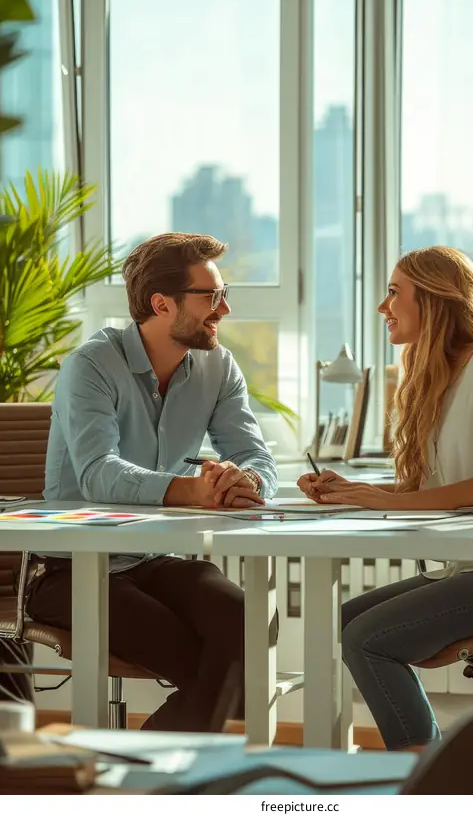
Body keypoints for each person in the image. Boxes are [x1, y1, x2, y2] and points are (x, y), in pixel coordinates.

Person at [298, 245, 473, 751]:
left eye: (393, 292)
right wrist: (355, 492)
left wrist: (386, 500)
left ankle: (427, 775)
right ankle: (421, 761)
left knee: (367, 640)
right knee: (342, 621)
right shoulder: (435, 376)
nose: (383, 307)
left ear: (432, 300)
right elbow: (438, 490)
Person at [27, 232, 278, 732]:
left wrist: (243, 480)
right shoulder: (91, 366)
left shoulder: (218, 366)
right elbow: (98, 473)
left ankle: (146, 781)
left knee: (249, 625)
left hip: (153, 557)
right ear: (161, 304)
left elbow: (256, 456)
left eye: (225, 294)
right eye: (211, 297)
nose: (224, 309)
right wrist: (194, 491)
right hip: (72, 566)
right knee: (218, 668)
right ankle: (157, 784)